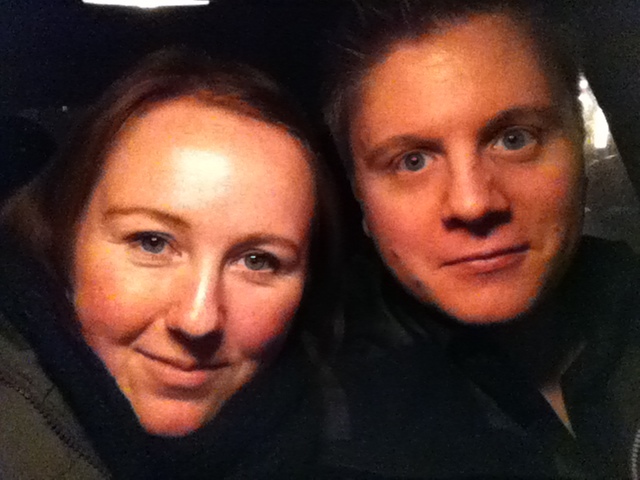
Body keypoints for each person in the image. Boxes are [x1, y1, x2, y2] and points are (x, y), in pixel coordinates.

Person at [321, 0, 640, 478]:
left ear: (577, 141)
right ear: (360, 199)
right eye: (412, 161)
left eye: (515, 138)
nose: (473, 204)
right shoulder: (329, 425)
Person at [0, 48, 340, 479]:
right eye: (152, 243)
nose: (198, 320)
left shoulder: (344, 436)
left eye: (258, 261)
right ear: (65, 239)